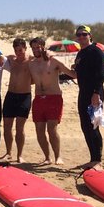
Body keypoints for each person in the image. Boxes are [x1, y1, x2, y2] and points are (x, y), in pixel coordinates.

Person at [28, 37, 77, 165]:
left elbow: (72, 74)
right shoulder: (31, 63)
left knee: (52, 129)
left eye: (38, 47)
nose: (35, 50)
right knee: (39, 130)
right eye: (33, 47)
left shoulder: (54, 61)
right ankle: (47, 157)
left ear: (43, 47)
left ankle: (58, 157)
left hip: (54, 98)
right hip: (38, 99)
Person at [73, 25, 104, 170]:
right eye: (78, 35)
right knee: (85, 126)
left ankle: (98, 160)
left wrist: (96, 93)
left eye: (84, 34)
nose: (81, 37)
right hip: (83, 93)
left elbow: (101, 74)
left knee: (93, 125)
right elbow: (79, 73)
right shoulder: (81, 53)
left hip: (94, 93)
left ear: (90, 36)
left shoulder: (95, 51)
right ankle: (92, 159)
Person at [2, 38, 32, 163]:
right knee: (7, 126)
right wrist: (1, 56)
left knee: (20, 128)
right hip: (10, 95)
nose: (18, 52)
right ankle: (8, 153)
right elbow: (1, 55)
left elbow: (46, 56)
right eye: (16, 50)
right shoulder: (12, 59)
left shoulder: (31, 60)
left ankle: (19, 155)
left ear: (25, 48)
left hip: (24, 96)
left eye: (20, 50)